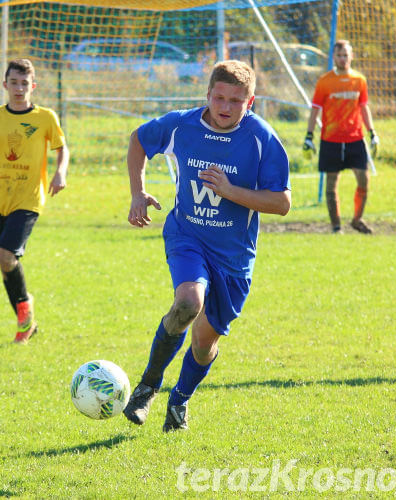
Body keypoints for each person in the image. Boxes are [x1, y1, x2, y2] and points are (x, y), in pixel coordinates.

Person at [123, 60, 291, 432]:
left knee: (203, 343)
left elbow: (281, 202)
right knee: (187, 303)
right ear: (208, 95)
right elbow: (138, 139)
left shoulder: (261, 138)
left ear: (251, 102)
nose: (225, 106)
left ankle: (179, 401)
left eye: (235, 100)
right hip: (188, 236)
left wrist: (231, 192)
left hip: (233, 257)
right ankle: (148, 386)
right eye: (219, 97)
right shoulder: (182, 124)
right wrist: (137, 192)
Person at [0, 58, 69, 344]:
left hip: (29, 198)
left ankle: (24, 317)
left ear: (32, 86)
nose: (19, 88)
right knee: (4, 262)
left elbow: (62, 148)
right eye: (14, 83)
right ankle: (26, 316)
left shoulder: (45, 117)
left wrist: (60, 172)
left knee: (5, 255)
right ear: (5, 85)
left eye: (24, 83)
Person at [303, 39, 379, 234]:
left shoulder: (359, 80)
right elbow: (315, 110)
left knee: (364, 180)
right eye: (339, 55)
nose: (342, 59)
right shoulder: (324, 81)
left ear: (351, 56)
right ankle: (336, 227)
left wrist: (372, 133)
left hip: (355, 138)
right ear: (333, 57)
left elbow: (363, 108)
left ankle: (357, 219)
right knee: (331, 184)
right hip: (331, 140)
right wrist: (309, 136)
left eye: (345, 55)